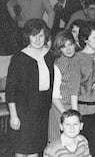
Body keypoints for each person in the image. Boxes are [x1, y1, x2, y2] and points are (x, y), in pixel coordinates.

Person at [6, 18, 55, 156]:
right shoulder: (19, 58)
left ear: (46, 36)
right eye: (34, 35)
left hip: (41, 110)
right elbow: (11, 89)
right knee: (21, 150)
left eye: (41, 35)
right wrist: (14, 115)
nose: (38, 39)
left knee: (36, 149)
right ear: (27, 36)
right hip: (23, 110)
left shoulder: (49, 56)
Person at [48, 31, 80, 143]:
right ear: (59, 49)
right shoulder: (58, 64)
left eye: (70, 44)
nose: (68, 49)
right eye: (63, 46)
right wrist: (65, 113)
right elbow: (54, 95)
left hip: (76, 105)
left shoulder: (79, 59)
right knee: (57, 142)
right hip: (60, 106)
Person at [73, 21, 95, 121]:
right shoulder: (77, 58)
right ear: (86, 39)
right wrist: (75, 114)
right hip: (83, 108)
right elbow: (74, 88)